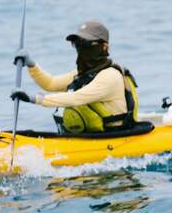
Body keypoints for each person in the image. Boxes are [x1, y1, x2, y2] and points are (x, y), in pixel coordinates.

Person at [11, 20, 140, 134]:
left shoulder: (110, 76)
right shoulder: (84, 73)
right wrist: (31, 64)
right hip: (95, 135)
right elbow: (51, 84)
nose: (81, 49)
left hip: (116, 135)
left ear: (104, 46)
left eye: (87, 44)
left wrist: (34, 99)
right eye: (77, 44)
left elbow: (76, 98)